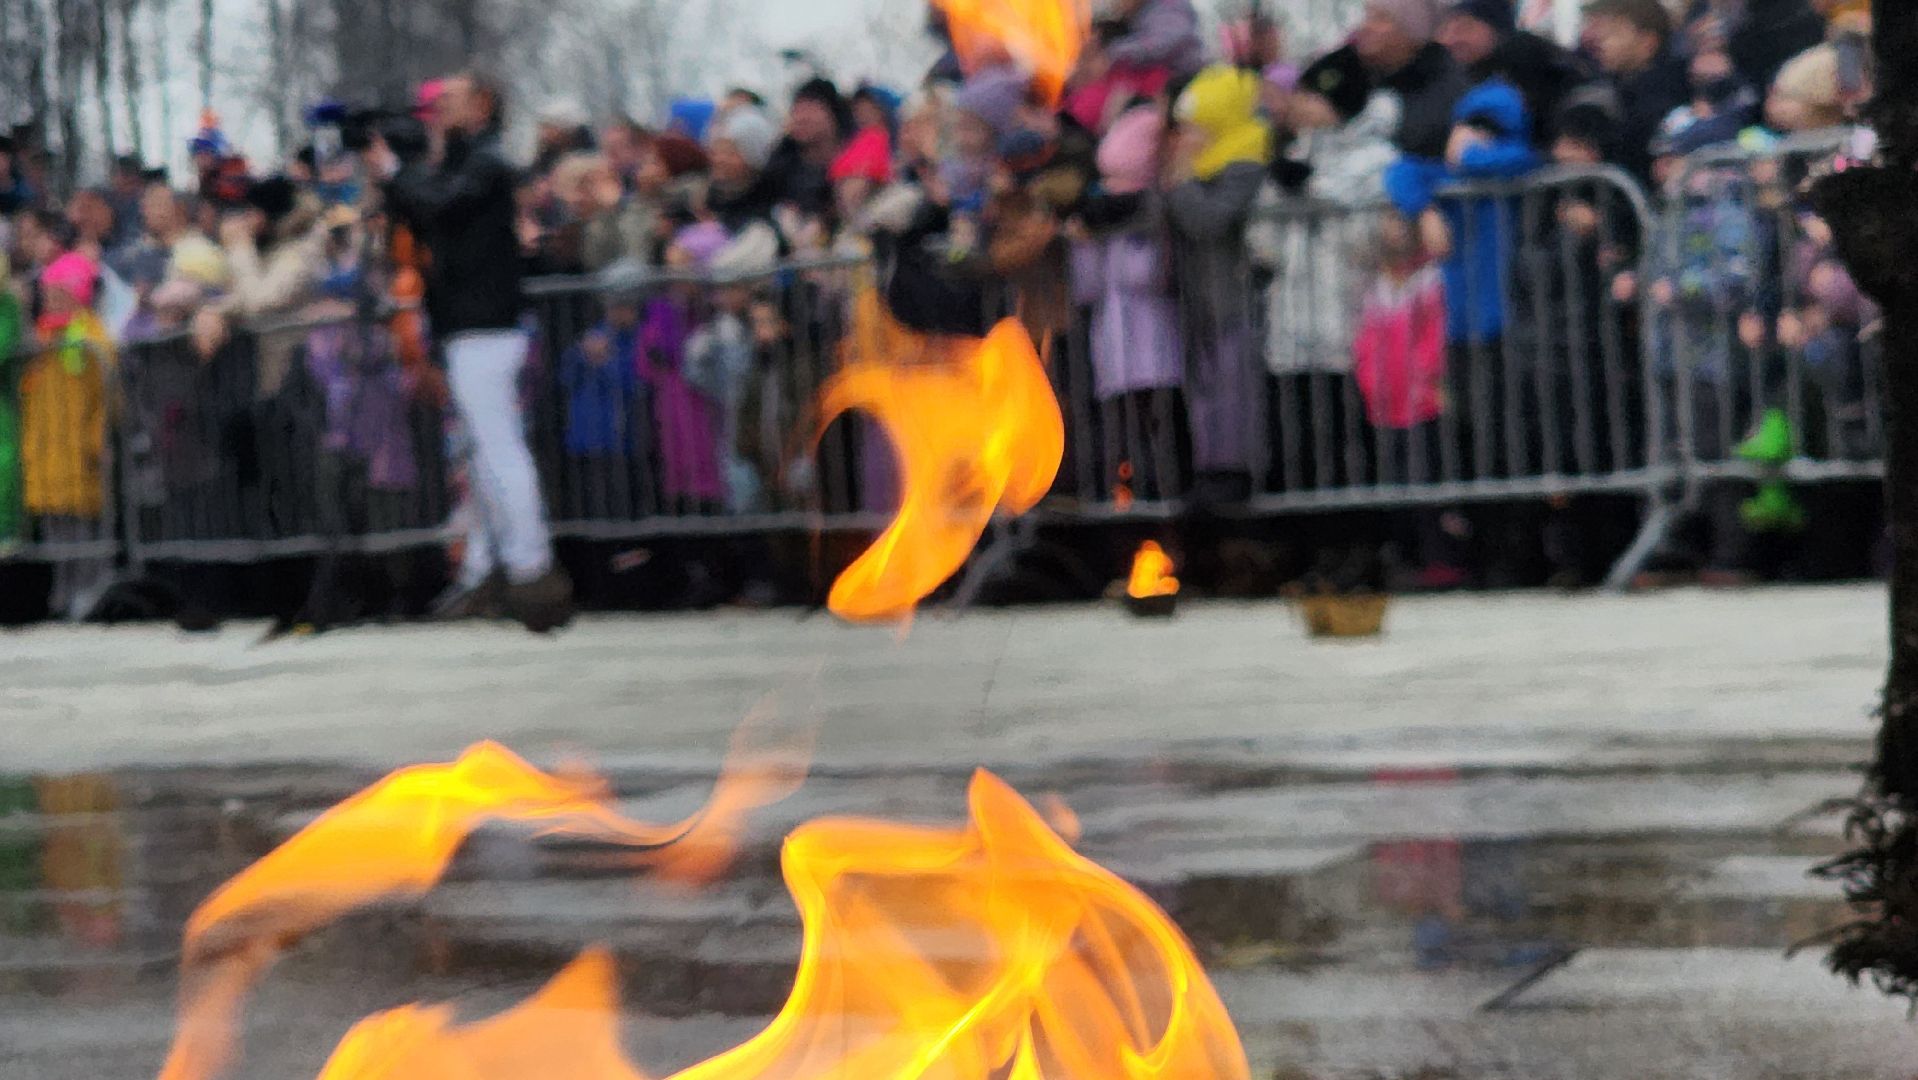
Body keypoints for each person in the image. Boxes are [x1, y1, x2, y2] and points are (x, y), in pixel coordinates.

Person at [379, 71, 574, 632]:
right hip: (466, 324)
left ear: (483, 105)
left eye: (453, 100)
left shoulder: (487, 162)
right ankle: (491, 564)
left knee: (498, 446)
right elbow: (422, 213)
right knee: (482, 453)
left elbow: (439, 203)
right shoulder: (466, 163)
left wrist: (398, 170)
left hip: (485, 324)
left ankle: (531, 564)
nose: (439, 109)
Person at [1251, 47, 1403, 493]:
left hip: (1352, 326)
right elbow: (1264, 248)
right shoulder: (1293, 155)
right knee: (1297, 447)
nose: (1298, 104)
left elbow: (1372, 244)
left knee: (1351, 445)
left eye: (1310, 95)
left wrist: (1316, 194)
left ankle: (1362, 539)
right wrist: (1279, 194)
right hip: (1293, 328)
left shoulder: (1377, 161)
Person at [1165, 64, 1273, 504]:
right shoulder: (1201, 170)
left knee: (1234, 385)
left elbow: (1210, 222)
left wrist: (1183, 183)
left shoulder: (1242, 167)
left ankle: (1235, 471)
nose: (1185, 138)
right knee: (1208, 387)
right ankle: (1210, 469)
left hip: (1232, 294)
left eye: (1194, 128)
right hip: (1201, 297)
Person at [20, 252, 114, 619]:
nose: (50, 298)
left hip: (78, 449)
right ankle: (63, 592)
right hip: (47, 450)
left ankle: (89, 590)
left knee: (84, 527)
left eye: (58, 291)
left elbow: (104, 394)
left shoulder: (88, 333)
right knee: (55, 525)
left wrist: (97, 437)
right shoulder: (41, 335)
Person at [1437, 0, 1595, 148]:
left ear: (1495, 29)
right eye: (1445, 29)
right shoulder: (1446, 78)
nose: (1450, 39)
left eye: (1464, 29)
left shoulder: (1532, 67)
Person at [1582, 0, 1691, 182]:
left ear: (1647, 42)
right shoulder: (1609, 90)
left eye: (1615, 34)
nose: (1602, 42)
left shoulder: (1666, 94)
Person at [1347, 0, 1471, 159]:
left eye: (1380, 19)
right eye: (1367, 16)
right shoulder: (1358, 75)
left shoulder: (1445, 89)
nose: (1366, 26)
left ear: (1412, 30)